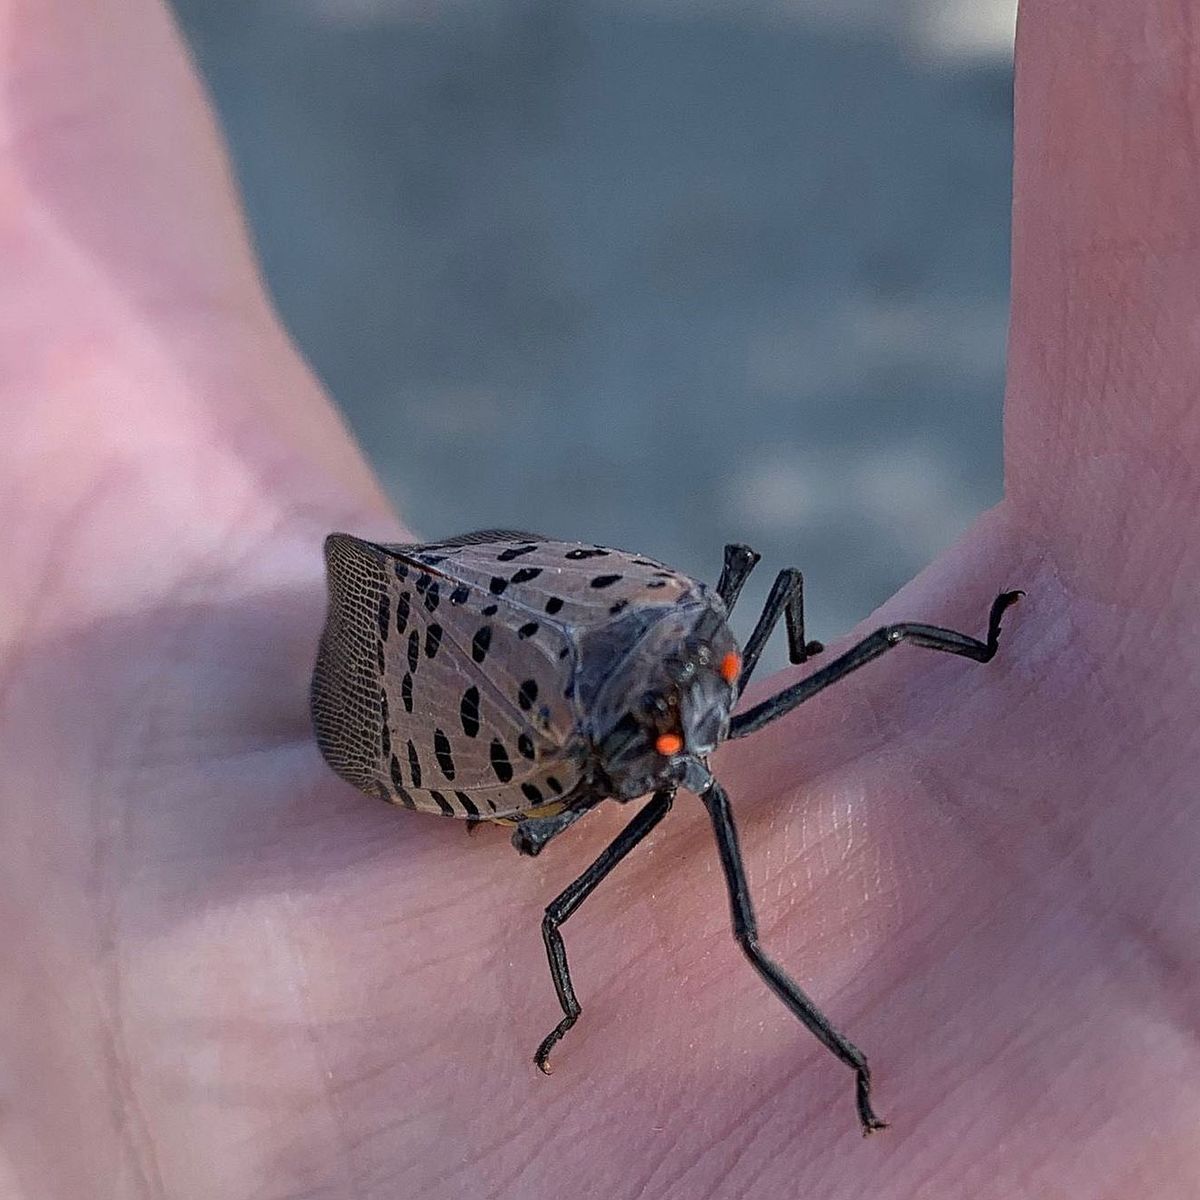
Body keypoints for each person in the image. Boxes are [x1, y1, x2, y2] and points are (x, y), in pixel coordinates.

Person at [2, 2, 1195, 1195]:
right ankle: (839, 1041)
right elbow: (560, 905)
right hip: (512, 709)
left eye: (720, 689)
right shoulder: (640, 748)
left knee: (819, 636)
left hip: (602, 617)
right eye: (683, 740)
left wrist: (898, 654)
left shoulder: (701, 684)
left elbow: (786, 610)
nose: (713, 733)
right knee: (684, 895)